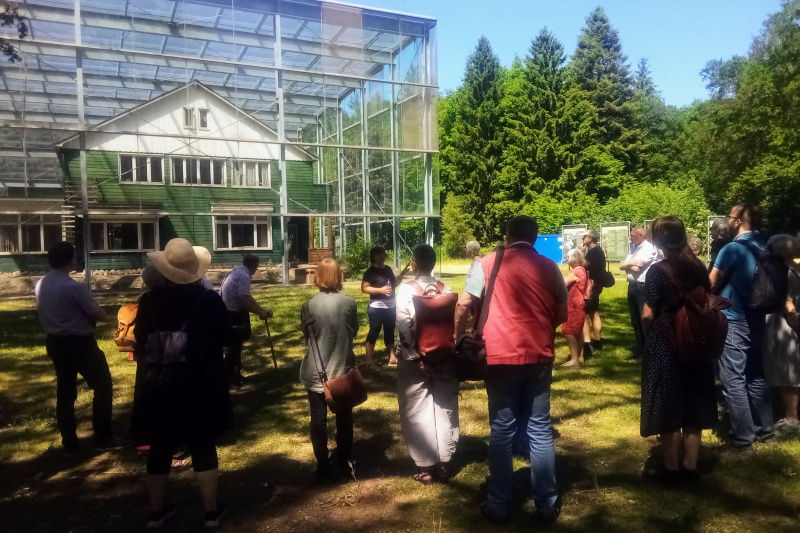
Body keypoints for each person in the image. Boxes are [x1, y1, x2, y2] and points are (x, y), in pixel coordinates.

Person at [455, 215, 568, 525]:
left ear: (507, 236)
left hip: (498, 356)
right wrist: (541, 329)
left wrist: (458, 338)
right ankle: (546, 504)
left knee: (502, 432)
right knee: (540, 431)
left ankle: (500, 504)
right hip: (539, 355)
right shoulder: (549, 266)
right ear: (533, 238)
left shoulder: (486, 263)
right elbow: (562, 310)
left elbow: (464, 303)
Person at [133, 238, 233, 529]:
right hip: (200, 381)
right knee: (202, 445)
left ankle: (155, 512)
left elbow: (140, 338)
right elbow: (227, 337)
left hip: (159, 380)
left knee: (160, 447)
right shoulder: (209, 301)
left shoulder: (148, 301)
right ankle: (211, 511)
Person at [640, 217, 718, 481]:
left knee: (669, 404)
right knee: (695, 402)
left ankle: (670, 468)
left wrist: (648, 337)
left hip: (666, 341)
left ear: (659, 240)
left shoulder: (657, 271)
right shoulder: (698, 266)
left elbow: (648, 313)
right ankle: (691, 466)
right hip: (697, 340)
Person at [35, 241, 128, 454]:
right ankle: (103, 435)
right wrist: (115, 319)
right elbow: (96, 313)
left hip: (55, 342)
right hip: (79, 343)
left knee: (65, 391)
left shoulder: (42, 283)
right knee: (102, 385)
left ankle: (69, 441)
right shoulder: (71, 286)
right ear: (70, 260)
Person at [710, 203, 774, 451]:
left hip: (734, 319)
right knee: (756, 375)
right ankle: (766, 432)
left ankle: (742, 439)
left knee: (733, 379)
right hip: (759, 318)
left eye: (730, 217)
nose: (728, 220)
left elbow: (711, 283)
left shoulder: (732, 248)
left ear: (737, 222)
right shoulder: (768, 245)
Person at [395, 244, 458, 485]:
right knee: (444, 406)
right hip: (444, 357)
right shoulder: (447, 289)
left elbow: (404, 326)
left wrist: (414, 357)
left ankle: (425, 465)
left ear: (414, 264)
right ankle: (445, 459)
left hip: (415, 360)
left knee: (416, 409)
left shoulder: (405, 291)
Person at [300, 258, 359, 480]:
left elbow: (308, 337)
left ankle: (322, 465)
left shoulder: (307, 307)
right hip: (342, 370)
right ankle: (343, 463)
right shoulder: (350, 303)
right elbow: (354, 331)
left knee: (318, 420)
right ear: (338, 276)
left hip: (316, 372)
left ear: (318, 276)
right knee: (344, 419)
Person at [763, 235, 800, 436]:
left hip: (786, 327)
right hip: (790, 325)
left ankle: (792, 419)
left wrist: (794, 325)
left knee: (788, 373)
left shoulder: (784, 273)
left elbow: (788, 305)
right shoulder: (796, 268)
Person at [219, 254, 273, 388]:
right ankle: (230, 378)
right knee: (233, 348)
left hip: (228, 313)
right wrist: (260, 313)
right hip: (232, 316)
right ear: (255, 265)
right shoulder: (244, 276)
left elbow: (246, 296)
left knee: (236, 347)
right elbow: (242, 301)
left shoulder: (238, 272)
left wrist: (261, 310)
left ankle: (235, 374)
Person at [361, 246, 409, 368]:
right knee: (374, 332)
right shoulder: (370, 271)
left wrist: (402, 274)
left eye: (383, 254)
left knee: (389, 332)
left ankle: (392, 358)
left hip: (391, 306)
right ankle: (369, 360)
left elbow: (394, 285)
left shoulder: (388, 269)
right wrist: (380, 290)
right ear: (374, 257)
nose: (381, 257)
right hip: (376, 307)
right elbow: (364, 288)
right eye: (378, 255)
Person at [620, 227, 659, 358]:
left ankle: (649, 349)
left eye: (632, 235)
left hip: (643, 286)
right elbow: (621, 266)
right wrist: (629, 264)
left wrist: (627, 265)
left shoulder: (648, 248)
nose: (630, 238)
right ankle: (640, 348)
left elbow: (637, 268)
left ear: (641, 235)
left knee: (645, 319)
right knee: (635, 319)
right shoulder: (634, 248)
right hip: (632, 286)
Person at [561, 248, 589, 367]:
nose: (567, 260)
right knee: (578, 331)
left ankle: (574, 359)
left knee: (568, 330)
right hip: (579, 303)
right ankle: (580, 356)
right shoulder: (582, 269)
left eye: (568, 258)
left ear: (572, 259)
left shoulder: (576, 271)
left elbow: (562, 284)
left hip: (574, 304)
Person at [582, 229, 606, 357]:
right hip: (596, 285)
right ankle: (597, 341)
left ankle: (587, 342)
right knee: (593, 312)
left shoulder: (593, 252)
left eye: (584, 237)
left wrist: (579, 251)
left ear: (590, 238)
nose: (583, 239)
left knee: (584, 312)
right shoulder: (598, 251)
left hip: (591, 286)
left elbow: (581, 266)